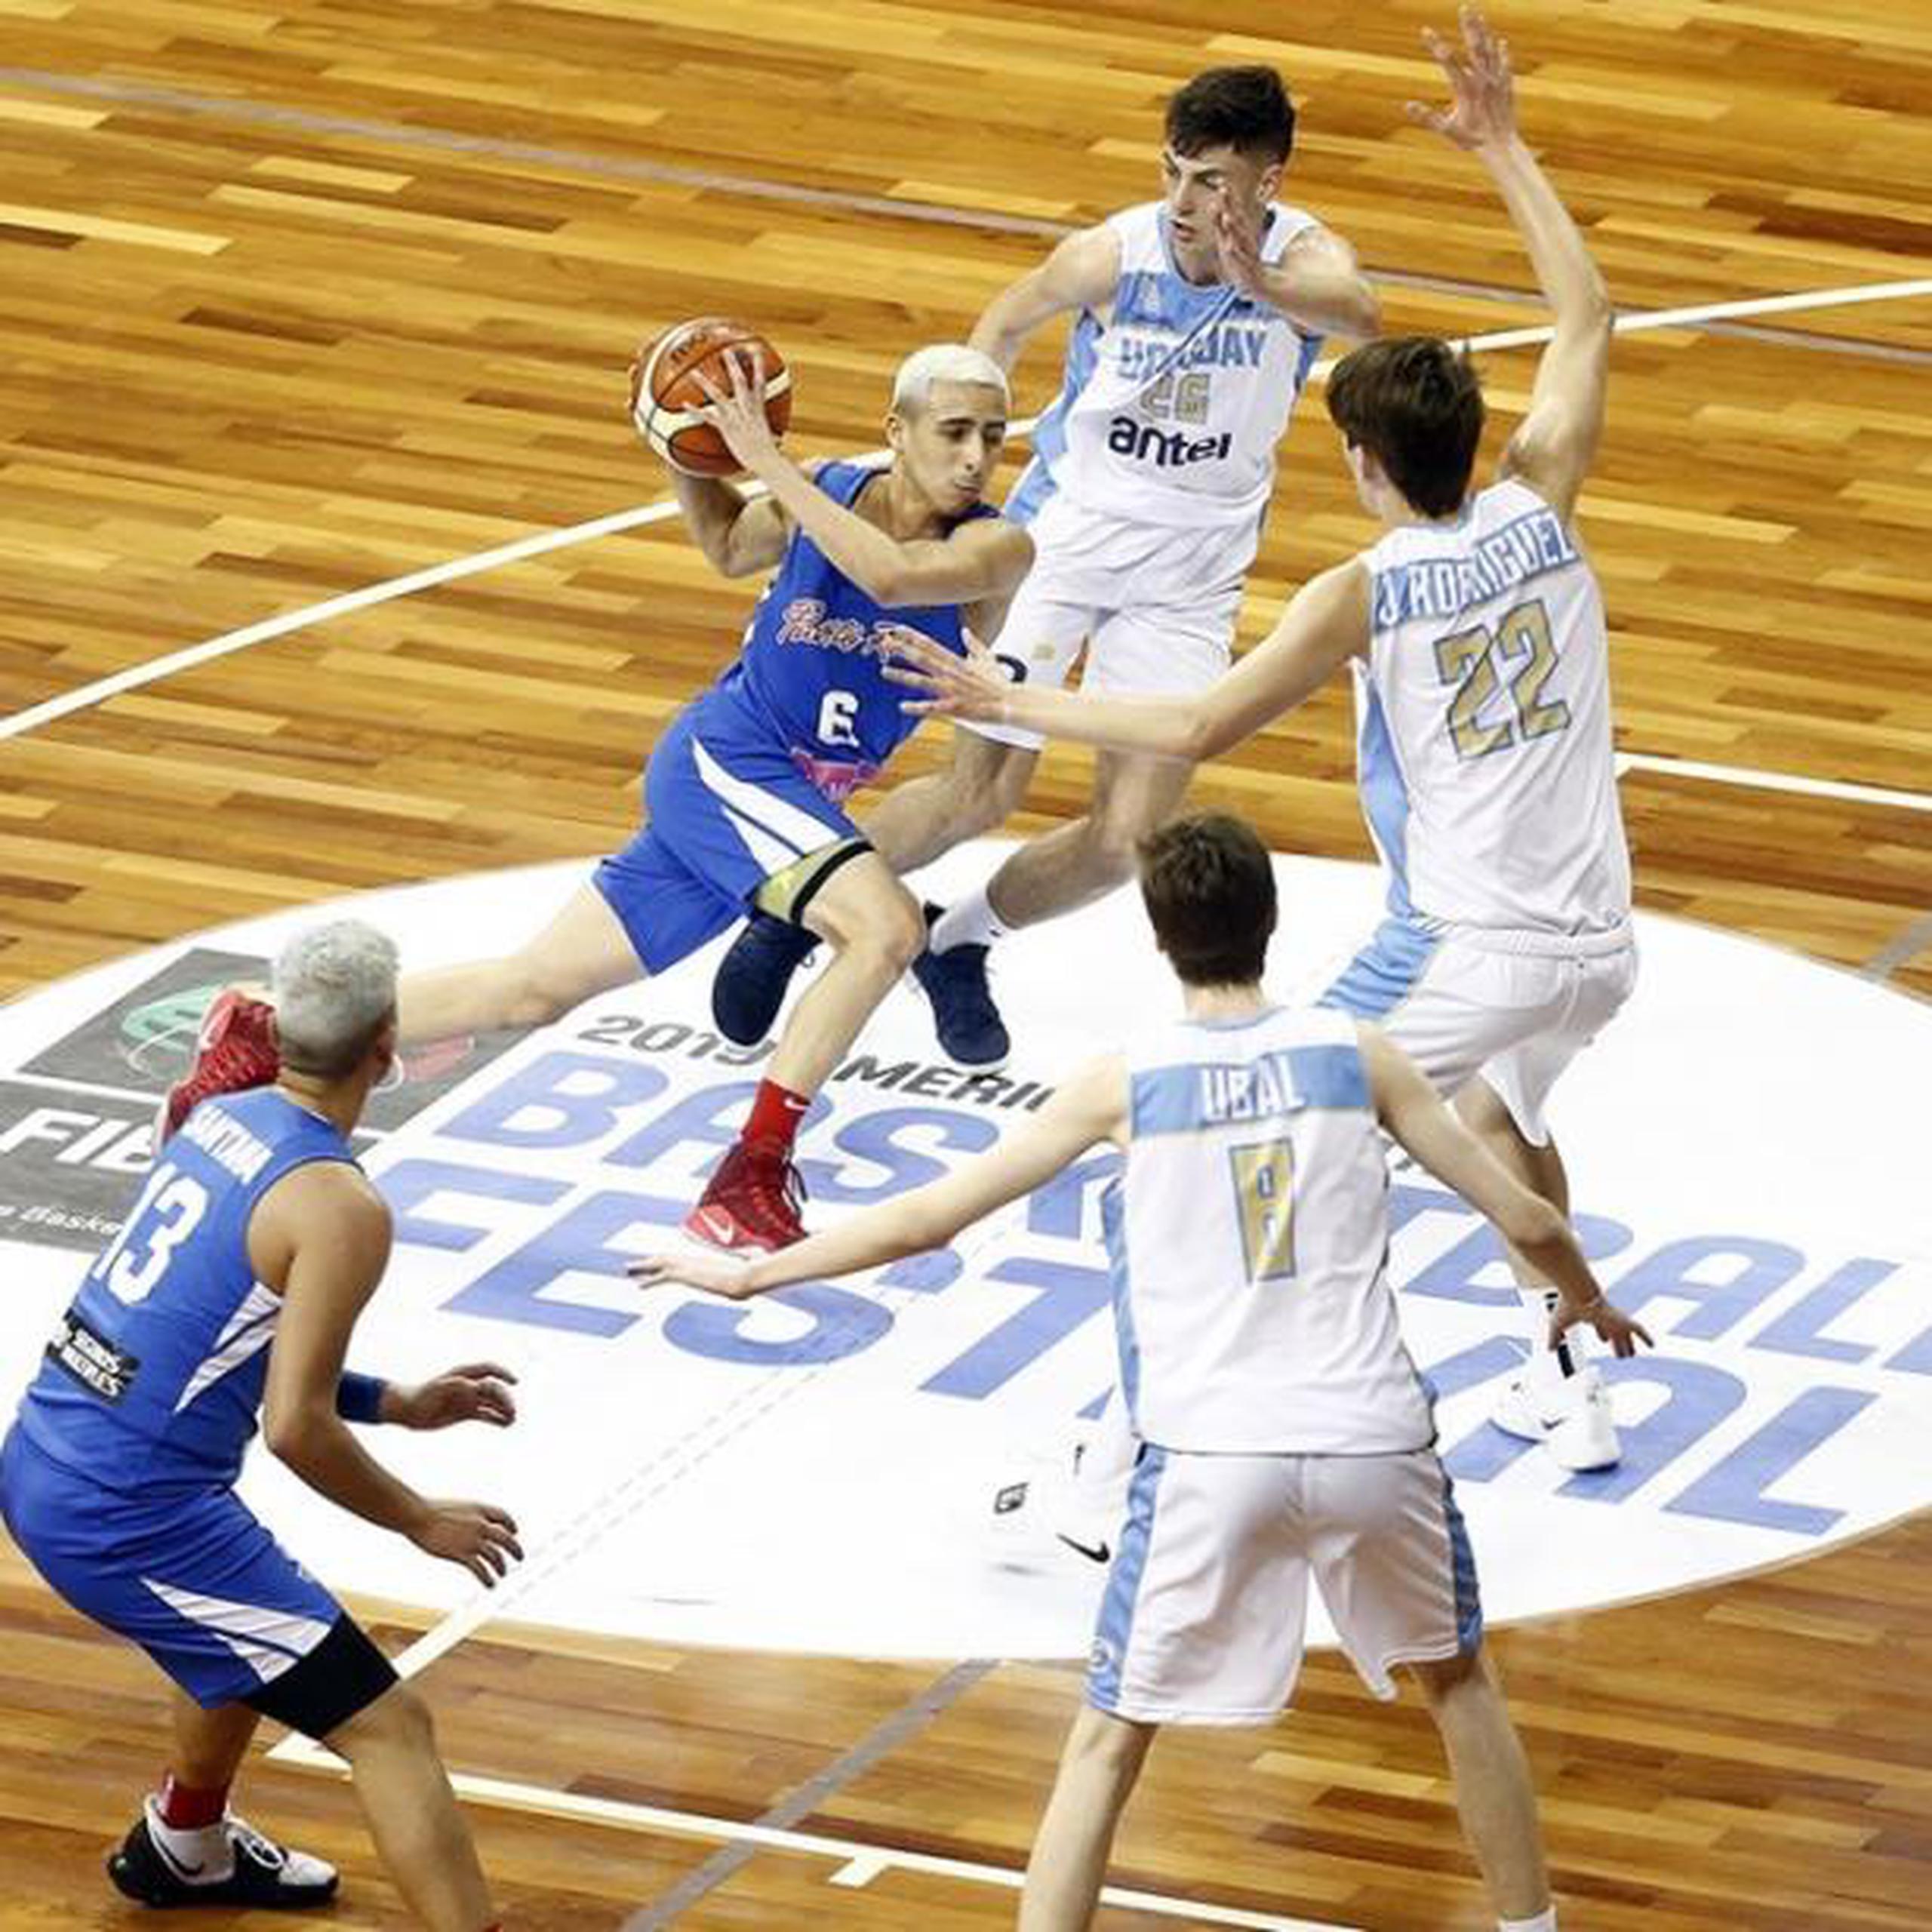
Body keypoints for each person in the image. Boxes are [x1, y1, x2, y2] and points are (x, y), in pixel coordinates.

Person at [632, 813, 1648, 1932]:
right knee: (1460, 1690)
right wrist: (1586, 1299)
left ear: (1161, 938)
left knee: (1106, 1746)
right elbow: (1527, 1213)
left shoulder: (1120, 1084)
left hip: (1210, 1459)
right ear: (1269, 923)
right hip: (1372, 1439)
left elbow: (926, 1222)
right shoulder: (1360, 1058)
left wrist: (746, 1278)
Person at [891, 8, 1633, 1477]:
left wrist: (1014, 701)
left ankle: (1129, 1456)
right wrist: (1502, 149)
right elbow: (1588, 317)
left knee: (1255, 1144)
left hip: (1463, 941)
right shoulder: (1540, 500)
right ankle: (1566, 1373)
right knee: (1500, 1111)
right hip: (1598, 945)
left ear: (1359, 463)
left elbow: (1191, 719)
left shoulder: (1363, 588)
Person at [162, 344, 1034, 1252]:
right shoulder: (828, 492)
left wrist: (770, 461)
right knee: (886, 927)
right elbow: (730, 544)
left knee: (530, 991)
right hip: (730, 759)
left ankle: (268, 1026)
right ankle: (751, 1174)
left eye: (993, 437)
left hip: (787, 800)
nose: (975, 456)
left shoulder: (997, 545)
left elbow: (892, 576)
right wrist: (676, 441)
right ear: (897, 432)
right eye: (954, 432)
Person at [709, 60, 1381, 1068]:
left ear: (1269, 183)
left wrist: (1261, 281)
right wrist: (954, 464)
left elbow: (1361, 314)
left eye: (1215, 184)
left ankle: (955, 939)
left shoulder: (1305, 262)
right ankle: (792, 909)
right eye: (1176, 174)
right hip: (1058, 547)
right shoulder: (1111, 256)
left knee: (1128, 842)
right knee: (982, 791)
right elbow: (1003, 326)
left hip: (1191, 577)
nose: (1189, 203)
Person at [1, 921, 520, 1929]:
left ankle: (182, 1844)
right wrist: (419, 1519)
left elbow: (217, 1339)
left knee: (241, 1633)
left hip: (48, 1454)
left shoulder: (222, 1116)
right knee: (390, 1727)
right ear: (387, 1045)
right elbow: (294, 1426)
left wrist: (399, 1403)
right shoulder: (337, 1204)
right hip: (128, 1513)